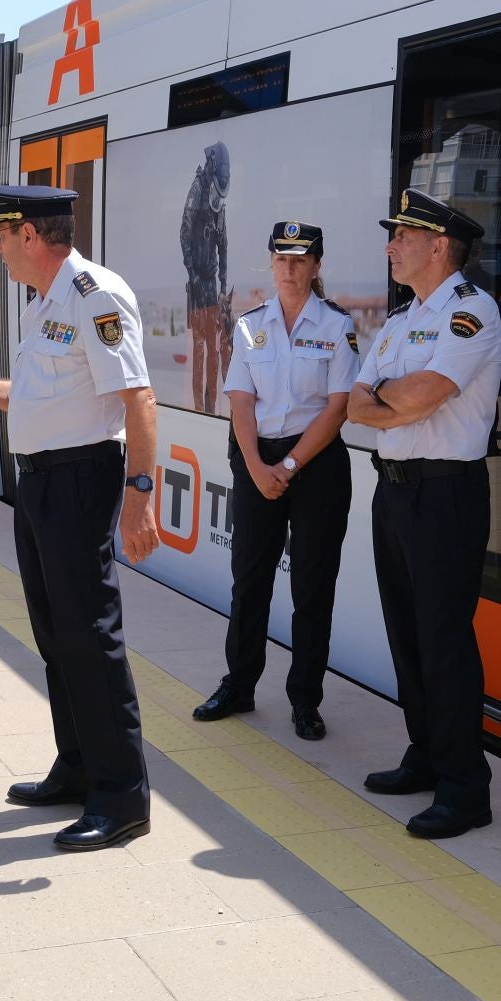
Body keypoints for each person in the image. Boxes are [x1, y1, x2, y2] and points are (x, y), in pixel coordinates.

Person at [0, 183, 158, 851]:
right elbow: (39, 396)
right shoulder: (45, 301)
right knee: (57, 638)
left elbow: (138, 399)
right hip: (40, 487)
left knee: (91, 639)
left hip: (79, 482)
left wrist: (140, 497)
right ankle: (78, 766)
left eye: (2, 237)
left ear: (29, 235)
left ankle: (122, 797)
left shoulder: (95, 294)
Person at [348, 187, 501, 840]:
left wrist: (389, 396)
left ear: (439, 247)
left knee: (443, 641)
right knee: (407, 637)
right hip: (395, 490)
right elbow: (357, 405)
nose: (391, 246)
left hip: (445, 494)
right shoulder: (400, 321)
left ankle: (466, 787)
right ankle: (428, 752)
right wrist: (392, 397)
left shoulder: (472, 313)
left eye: (402, 236)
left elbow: (428, 395)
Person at [193, 220, 357, 741]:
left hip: (316, 462)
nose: (289, 268)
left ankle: (305, 700)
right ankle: (239, 685)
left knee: (312, 588)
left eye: (300, 260)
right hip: (256, 459)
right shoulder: (249, 325)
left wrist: (288, 467)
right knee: (250, 581)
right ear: (271, 263)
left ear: (315, 267)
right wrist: (259, 466)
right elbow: (240, 401)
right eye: (281, 259)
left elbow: (337, 409)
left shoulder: (336, 326)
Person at [179, 141, 231, 412]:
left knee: (214, 349)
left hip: (211, 285)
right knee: (199, 349)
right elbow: (185, 231)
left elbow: (223, 243)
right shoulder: (198, 188)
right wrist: (192, 273)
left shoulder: (217, 199)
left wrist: (223, 283)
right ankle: (199, 409)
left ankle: (210, 408)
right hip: (198, 283)